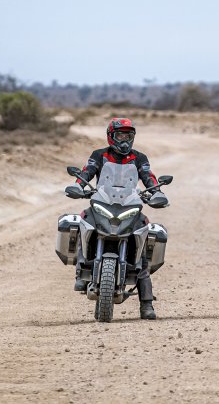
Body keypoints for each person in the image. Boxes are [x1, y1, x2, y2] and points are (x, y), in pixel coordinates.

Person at [72, 117, 162, 320]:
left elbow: (148, 175)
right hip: (103, 201)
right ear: (111, 136)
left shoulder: (139, 157)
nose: (125, 140)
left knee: (143, 235)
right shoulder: (99, 155)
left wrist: (156, 192)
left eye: (129, 136)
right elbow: (87, 171)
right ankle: (81, 269)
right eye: (121, 135)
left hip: (129, 204)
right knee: (84, 219)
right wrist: (78, 185)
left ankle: (146, 304)